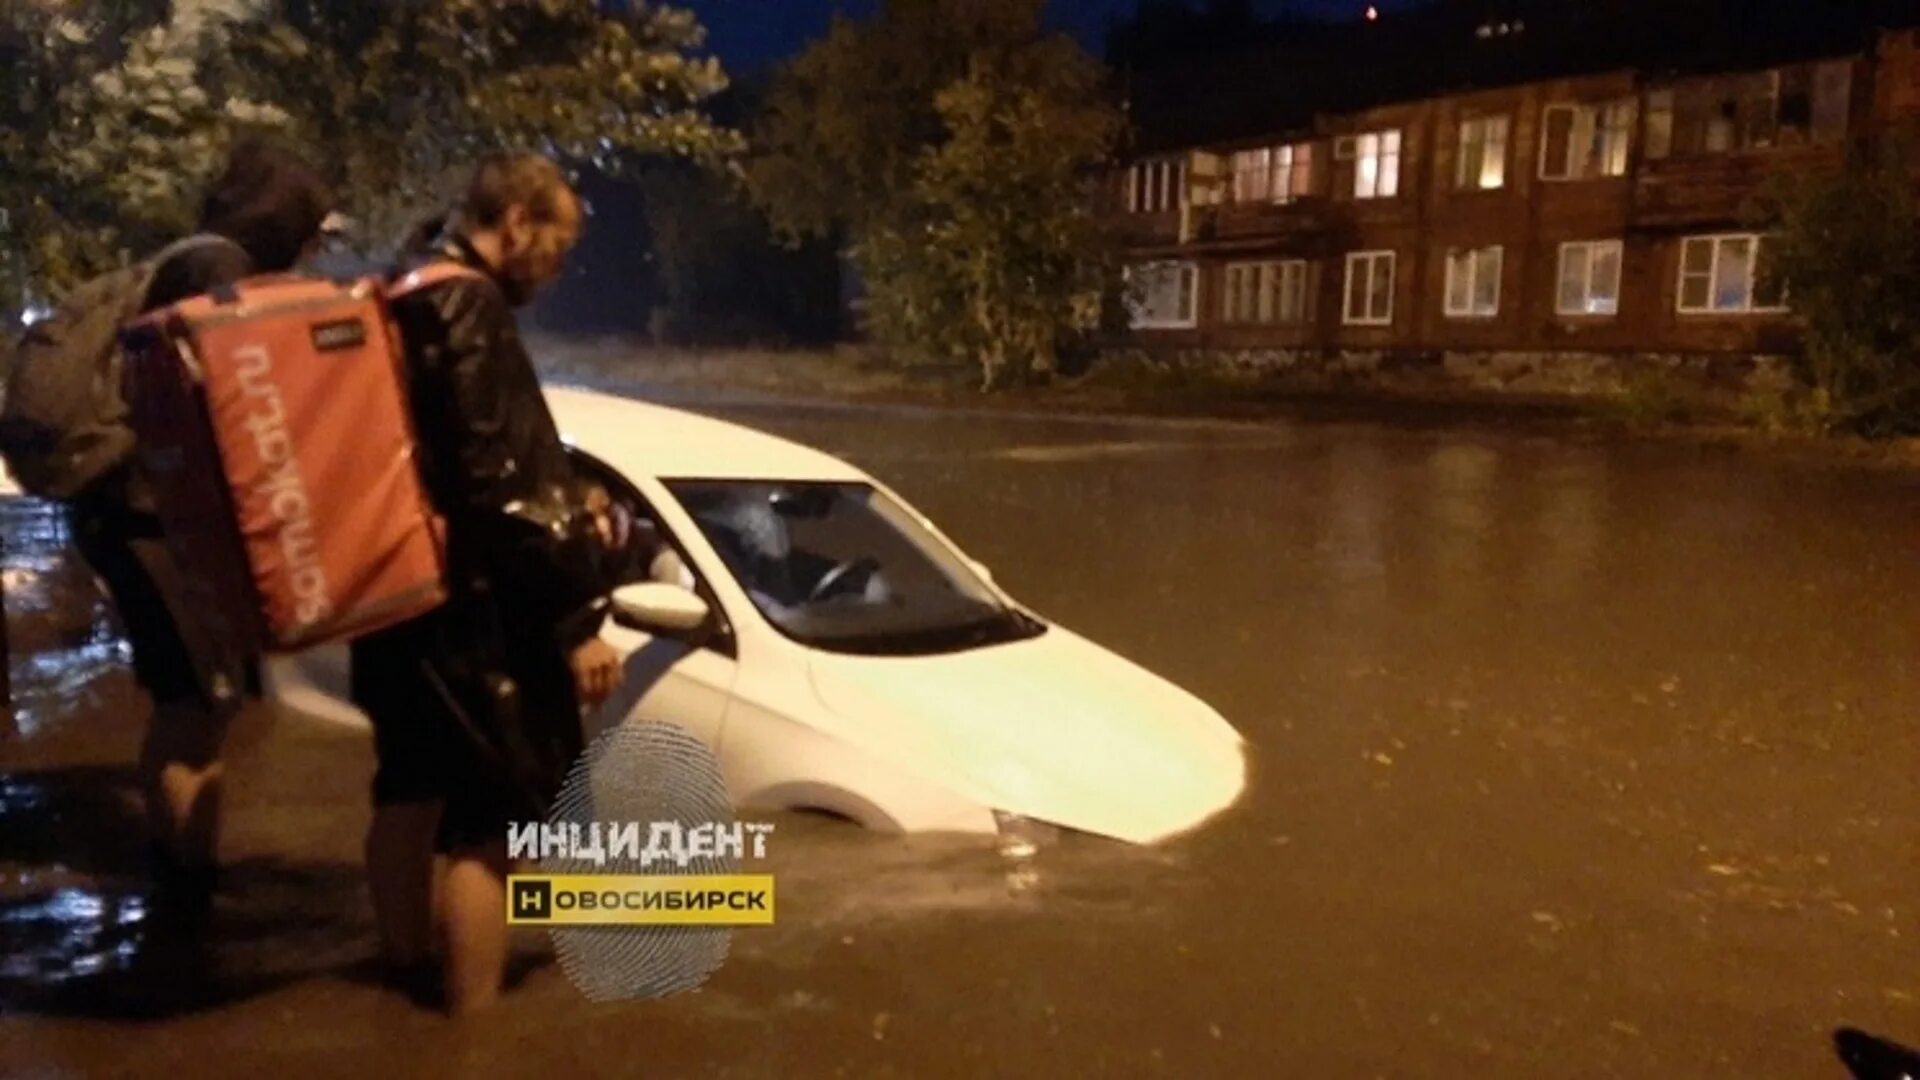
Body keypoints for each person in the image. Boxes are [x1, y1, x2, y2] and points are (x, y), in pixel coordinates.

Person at [352, 153, 624, 1015]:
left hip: (393, 587)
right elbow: (497, 484)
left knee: (406, 787)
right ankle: (472, 1036)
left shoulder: (402, 288)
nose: (560, 263)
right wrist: (575, 619)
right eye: (559, 243)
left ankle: (400, 974)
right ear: (515, 224)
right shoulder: (467, 305)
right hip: (471, 610)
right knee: (492, 829)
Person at [67, 139, 332, 894]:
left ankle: (170, 871)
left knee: (191, 705)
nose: (312, 250)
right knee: (197, 712)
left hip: (134, 518)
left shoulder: (194, 259)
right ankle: (188, 898)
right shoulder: (216, 273)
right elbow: (231, 404)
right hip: (157, 526)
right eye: (309, 232)